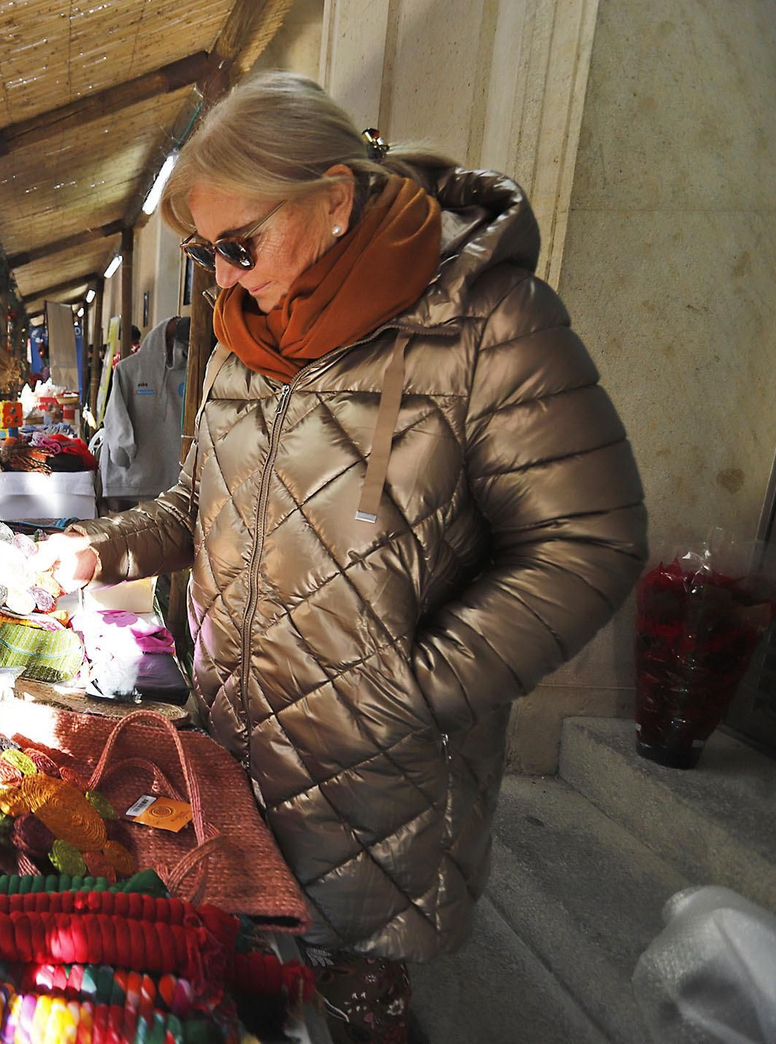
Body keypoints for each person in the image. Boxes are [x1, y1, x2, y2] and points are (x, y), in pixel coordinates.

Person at [39, 70, 647, 1040]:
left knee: (356, 1013)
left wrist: (413, 683)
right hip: (234, 742)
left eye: (239, 245)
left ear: (330, 200)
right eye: (206, 254)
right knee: (255, 998)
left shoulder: (489, 323)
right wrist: (99, 547)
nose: (224, 278)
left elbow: (587, 539)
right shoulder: (242, 338)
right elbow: (198, 503)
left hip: (385, 785)